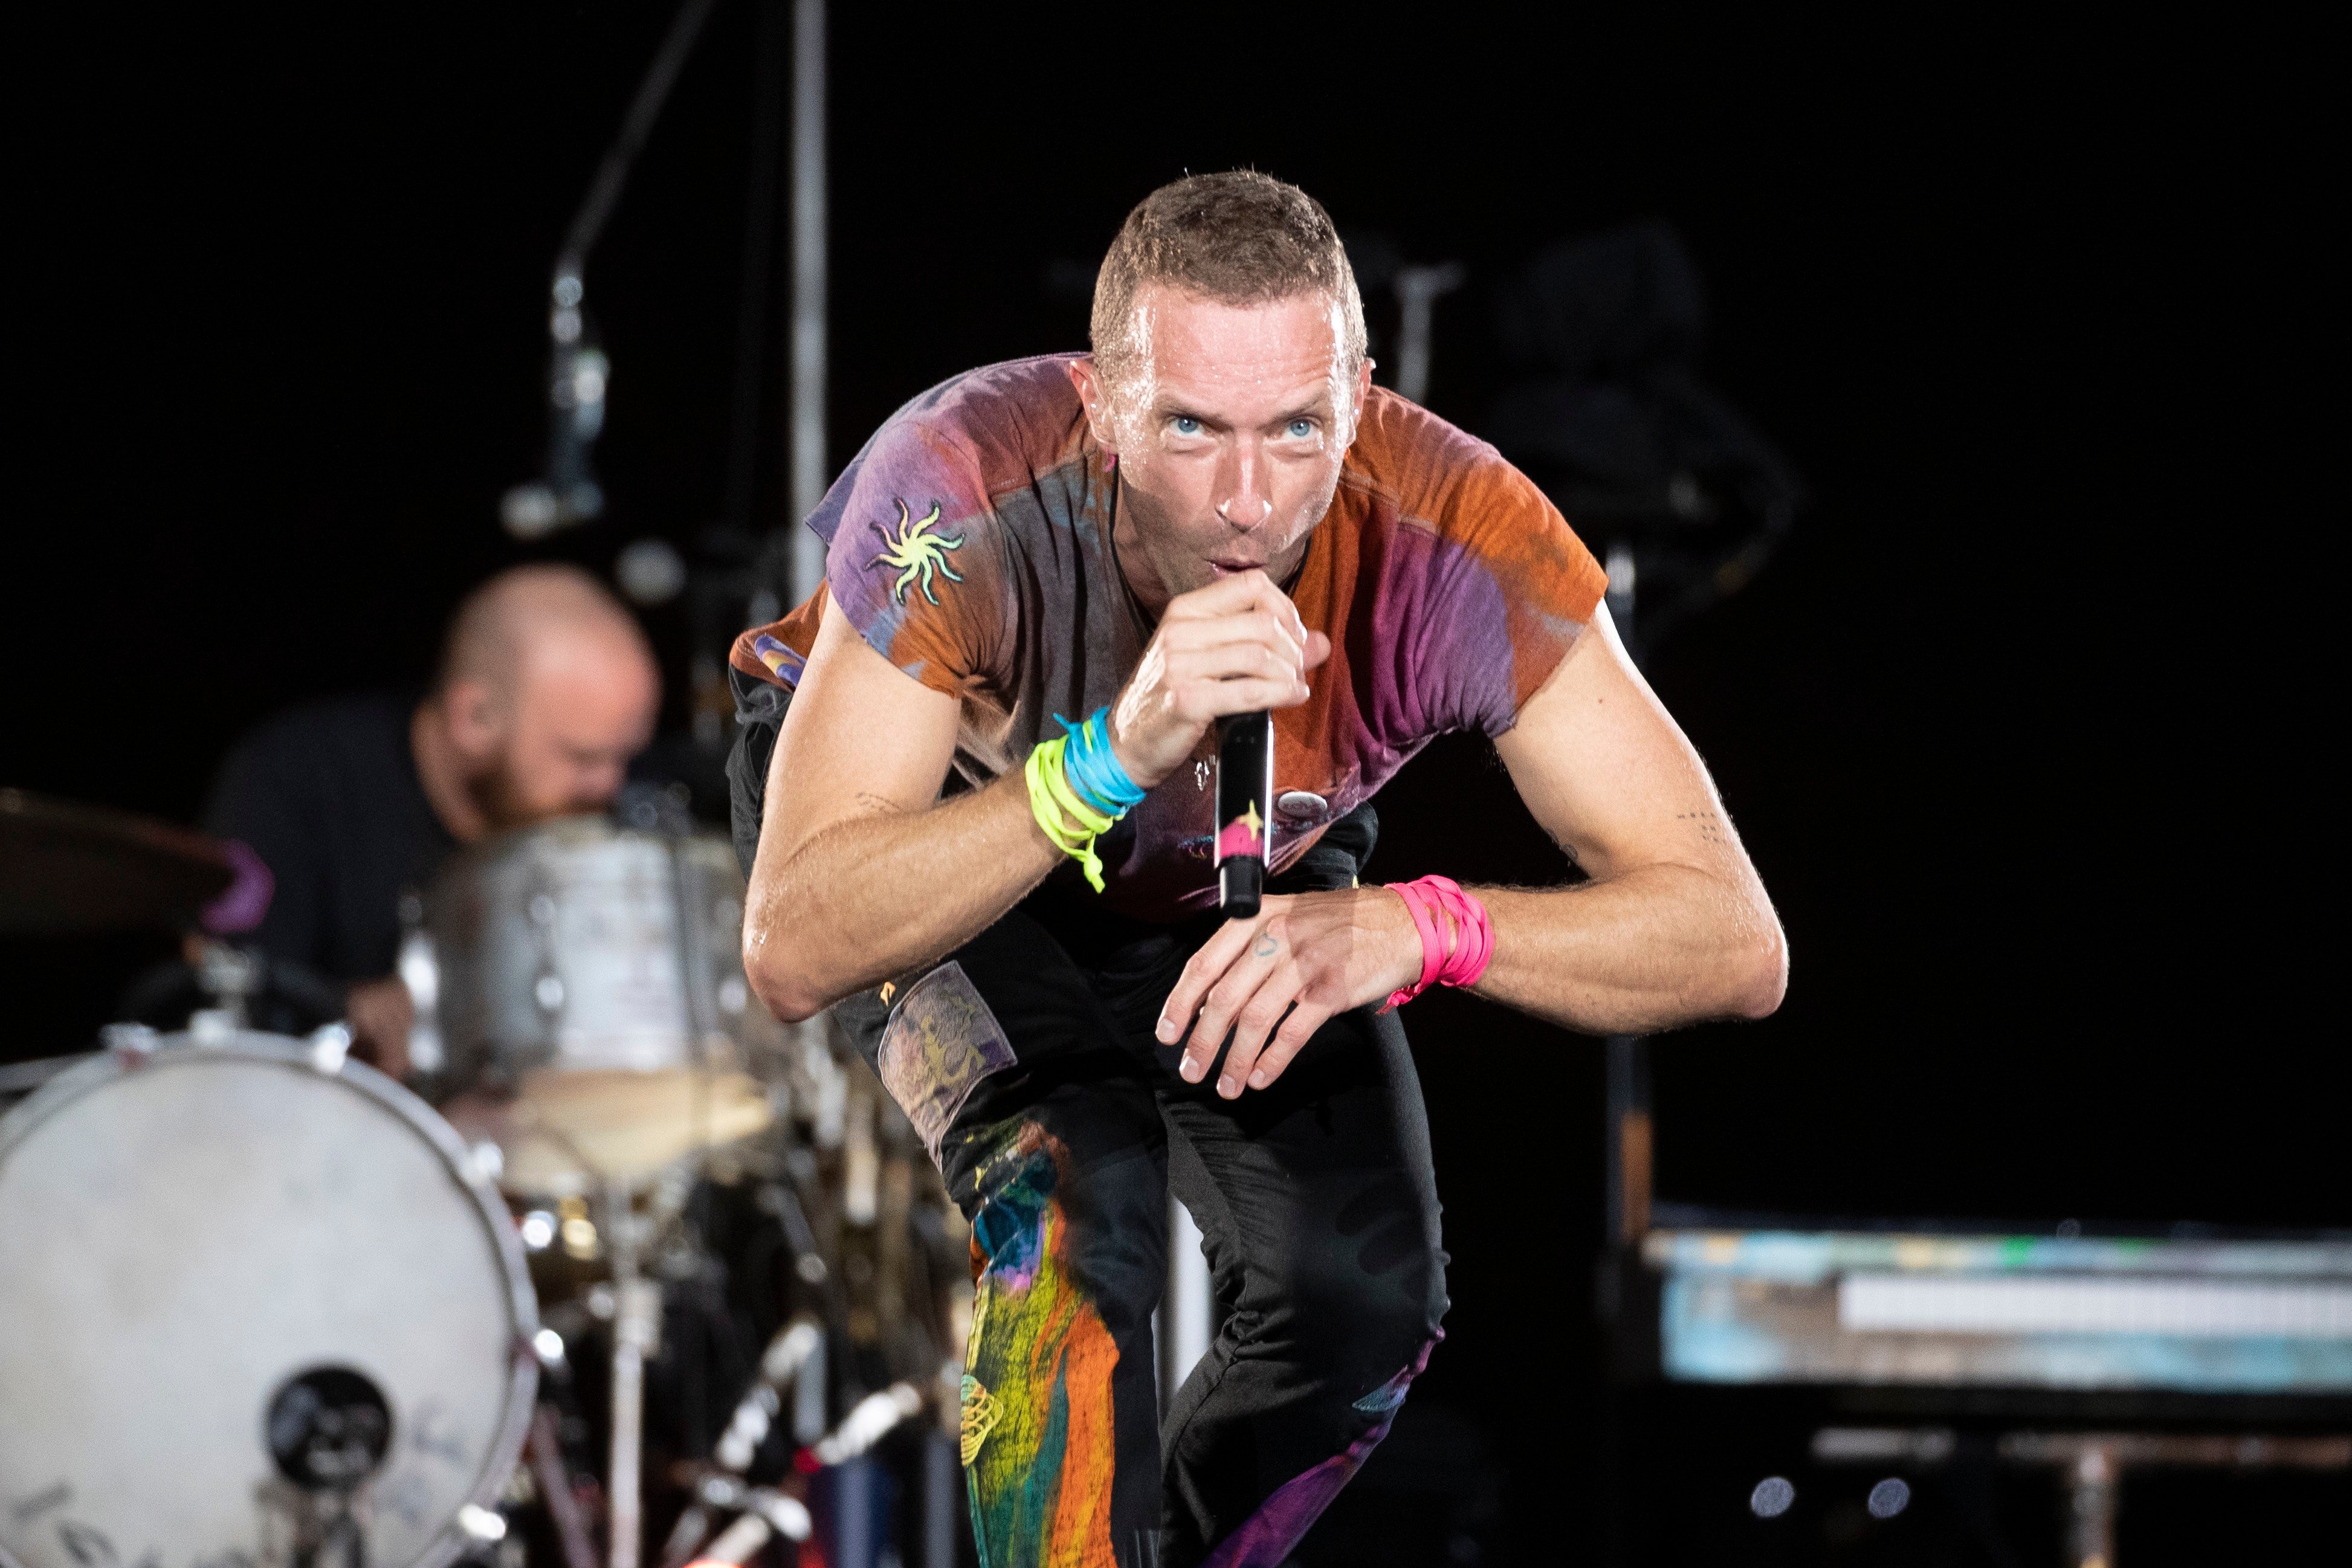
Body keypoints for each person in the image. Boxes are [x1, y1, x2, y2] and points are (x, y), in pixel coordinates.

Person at [726, 172, 1785, 1567]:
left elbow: (1735, 939)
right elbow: (797, 942)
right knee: (1072, 1199)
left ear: (1358, 394)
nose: (1247, 499)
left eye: (1297, 430)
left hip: (1253, 844)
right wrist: (1110, 756)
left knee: (1360, 1298)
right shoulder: (964, 483)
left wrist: (1428, 924)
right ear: (1103, 406)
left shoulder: (1456, 530)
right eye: (1188, 428)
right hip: (957, 827)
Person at [203, 563, 661, 1071]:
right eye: (583, 758)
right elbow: (236, 1005)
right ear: (474, 718)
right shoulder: (295, 780)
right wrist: (357, 1017)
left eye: (625, 756)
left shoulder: (620, 804)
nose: (610, 785)